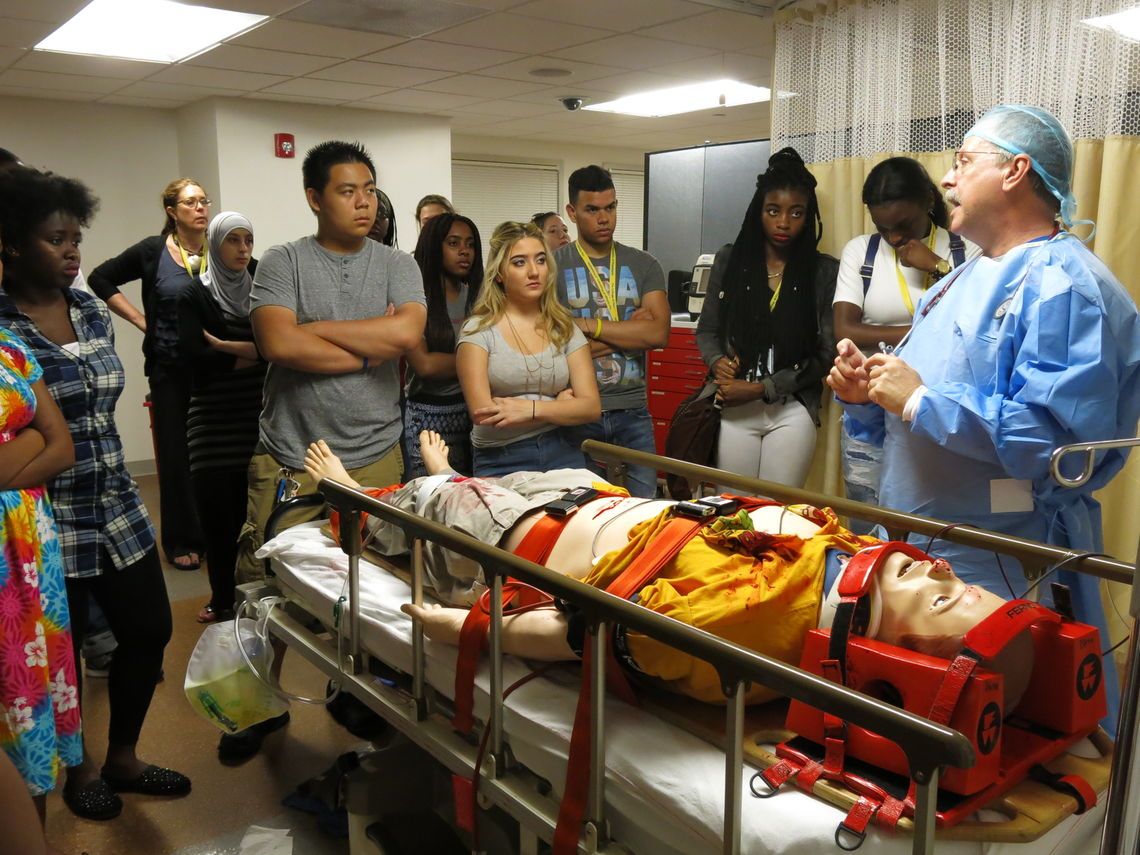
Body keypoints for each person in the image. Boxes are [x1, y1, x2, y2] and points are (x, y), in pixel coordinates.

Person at [303, 432, 1028, 707]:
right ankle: (456, 474)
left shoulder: (758, 625)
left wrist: (469, 623)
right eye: (957, 579)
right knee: (502, 478)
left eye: (942, 601)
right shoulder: (838, 554)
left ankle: (348, 497)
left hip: (527, 542)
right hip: (602, 498)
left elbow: (583, 632)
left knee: (426, 506)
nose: (936, 574)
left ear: (894, 652)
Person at [827, 104, 1140, 732]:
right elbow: (914, 407)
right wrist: (870, 397)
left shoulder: (1063, 286)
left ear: (1016, 171)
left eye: (964, 161)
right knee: (919, 724)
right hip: (922, 545)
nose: (946, 179)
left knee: (1012, 735)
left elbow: (1054, 443)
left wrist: (920, 400)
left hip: (997, 557)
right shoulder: (959, 281)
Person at [0, 167, 187, 820]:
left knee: (151, 629)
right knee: (68, 653)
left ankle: (124, 755)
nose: (72, 251)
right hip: (50, 518)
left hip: (117, 505)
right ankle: (79, 770)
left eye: (76, 237)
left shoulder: (86, 308)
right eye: (56, 238)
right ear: (14, 244)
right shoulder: (4, 328)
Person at [235, 140, 425, 584]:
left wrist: (314, 327)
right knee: (268, 583)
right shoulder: (283, 262)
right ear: (314, 199)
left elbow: (406, 334)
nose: (364, 203)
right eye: (347, 191)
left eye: (370, 189)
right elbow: (279, 345)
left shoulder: (398, 265)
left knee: (377, 582)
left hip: (374, 454)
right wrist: (369, 350)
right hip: (292, 455)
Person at [832, 158, 979, 523]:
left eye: (903, 225)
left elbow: (972, 328)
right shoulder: (861, 252)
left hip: (933, 407)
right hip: (868, 407)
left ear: (928, 203)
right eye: (883, 227)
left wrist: (938, 267)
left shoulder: (965, 251)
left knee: (927, 524)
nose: (894, 237)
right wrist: (929, 329)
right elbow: (846, 329)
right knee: (866, 520)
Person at [0, 218, 81, 841]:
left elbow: (62, 445)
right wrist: (29, 438)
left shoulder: (10, 348)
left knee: (34, 711)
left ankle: (40, 842)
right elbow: (41, 440)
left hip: (34, 551)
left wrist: (25, 439)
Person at [695, 148, 838, 493]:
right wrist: (717, 362)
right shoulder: (730, 261)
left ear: (809, 217)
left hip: (790, 410)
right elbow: (708, 330)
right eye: (773, 211)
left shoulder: (822, 272)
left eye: (796, 213)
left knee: (777, 513)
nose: (784, 223)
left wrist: (762, 388)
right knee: (734, 508)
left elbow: (825, 354)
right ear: (758, 211)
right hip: (734, 407)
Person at [87, 177, 211, 570]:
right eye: (191, 202)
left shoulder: (221, 250)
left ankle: (217, 532)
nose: (201, 208)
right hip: (169, 368)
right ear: (172, 212)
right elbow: (100, 277)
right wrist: (142, 319)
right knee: (176, 457)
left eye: (204, 201)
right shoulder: (152, 250)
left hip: (214, 370)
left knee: (212, 457)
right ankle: (181, 540)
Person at [553, 166, 670, 498]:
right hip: (578, 410)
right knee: (585, 515)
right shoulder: (552, 267)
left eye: (611, 207)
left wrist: (590, 327)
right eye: (592, 210)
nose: (604, 218)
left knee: (643, 516)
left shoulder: (644, 264)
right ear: (572, 213)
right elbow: (553, 350)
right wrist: (631, 330)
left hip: (633, 410)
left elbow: (658, 334)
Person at [456, 221, 601, 477]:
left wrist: (530, 409)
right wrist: (559, 406)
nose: (534, 272)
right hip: (501, 457)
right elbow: (484, 414)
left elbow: (590, 408)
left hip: (563, 449)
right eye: (519, 262)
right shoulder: (477, 331)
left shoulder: (565, 327)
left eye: (541, 260)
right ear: (499, 273)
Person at [176, 211, 264, 623]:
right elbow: (198, 359)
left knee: (258, 512)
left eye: (248, 240)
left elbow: (282, 343)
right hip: (211, 421)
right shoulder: (193, 296)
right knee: (219, 518)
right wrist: (258, 352)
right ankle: (223, 598)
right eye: (233, 240)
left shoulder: (264, 287)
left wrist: (229, 347)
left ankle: (261, 594)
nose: (243, 249)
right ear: (215, 244)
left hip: (259, 415)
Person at [403, 212, 483, 478]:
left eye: (470, 244)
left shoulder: (478, 297)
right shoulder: (415, 299)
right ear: (434, 247)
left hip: (471, 413)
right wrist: (477, 360)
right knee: (431, 500)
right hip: (427, 416)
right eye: (454, 243)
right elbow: (424, 365)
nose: (464, 252)